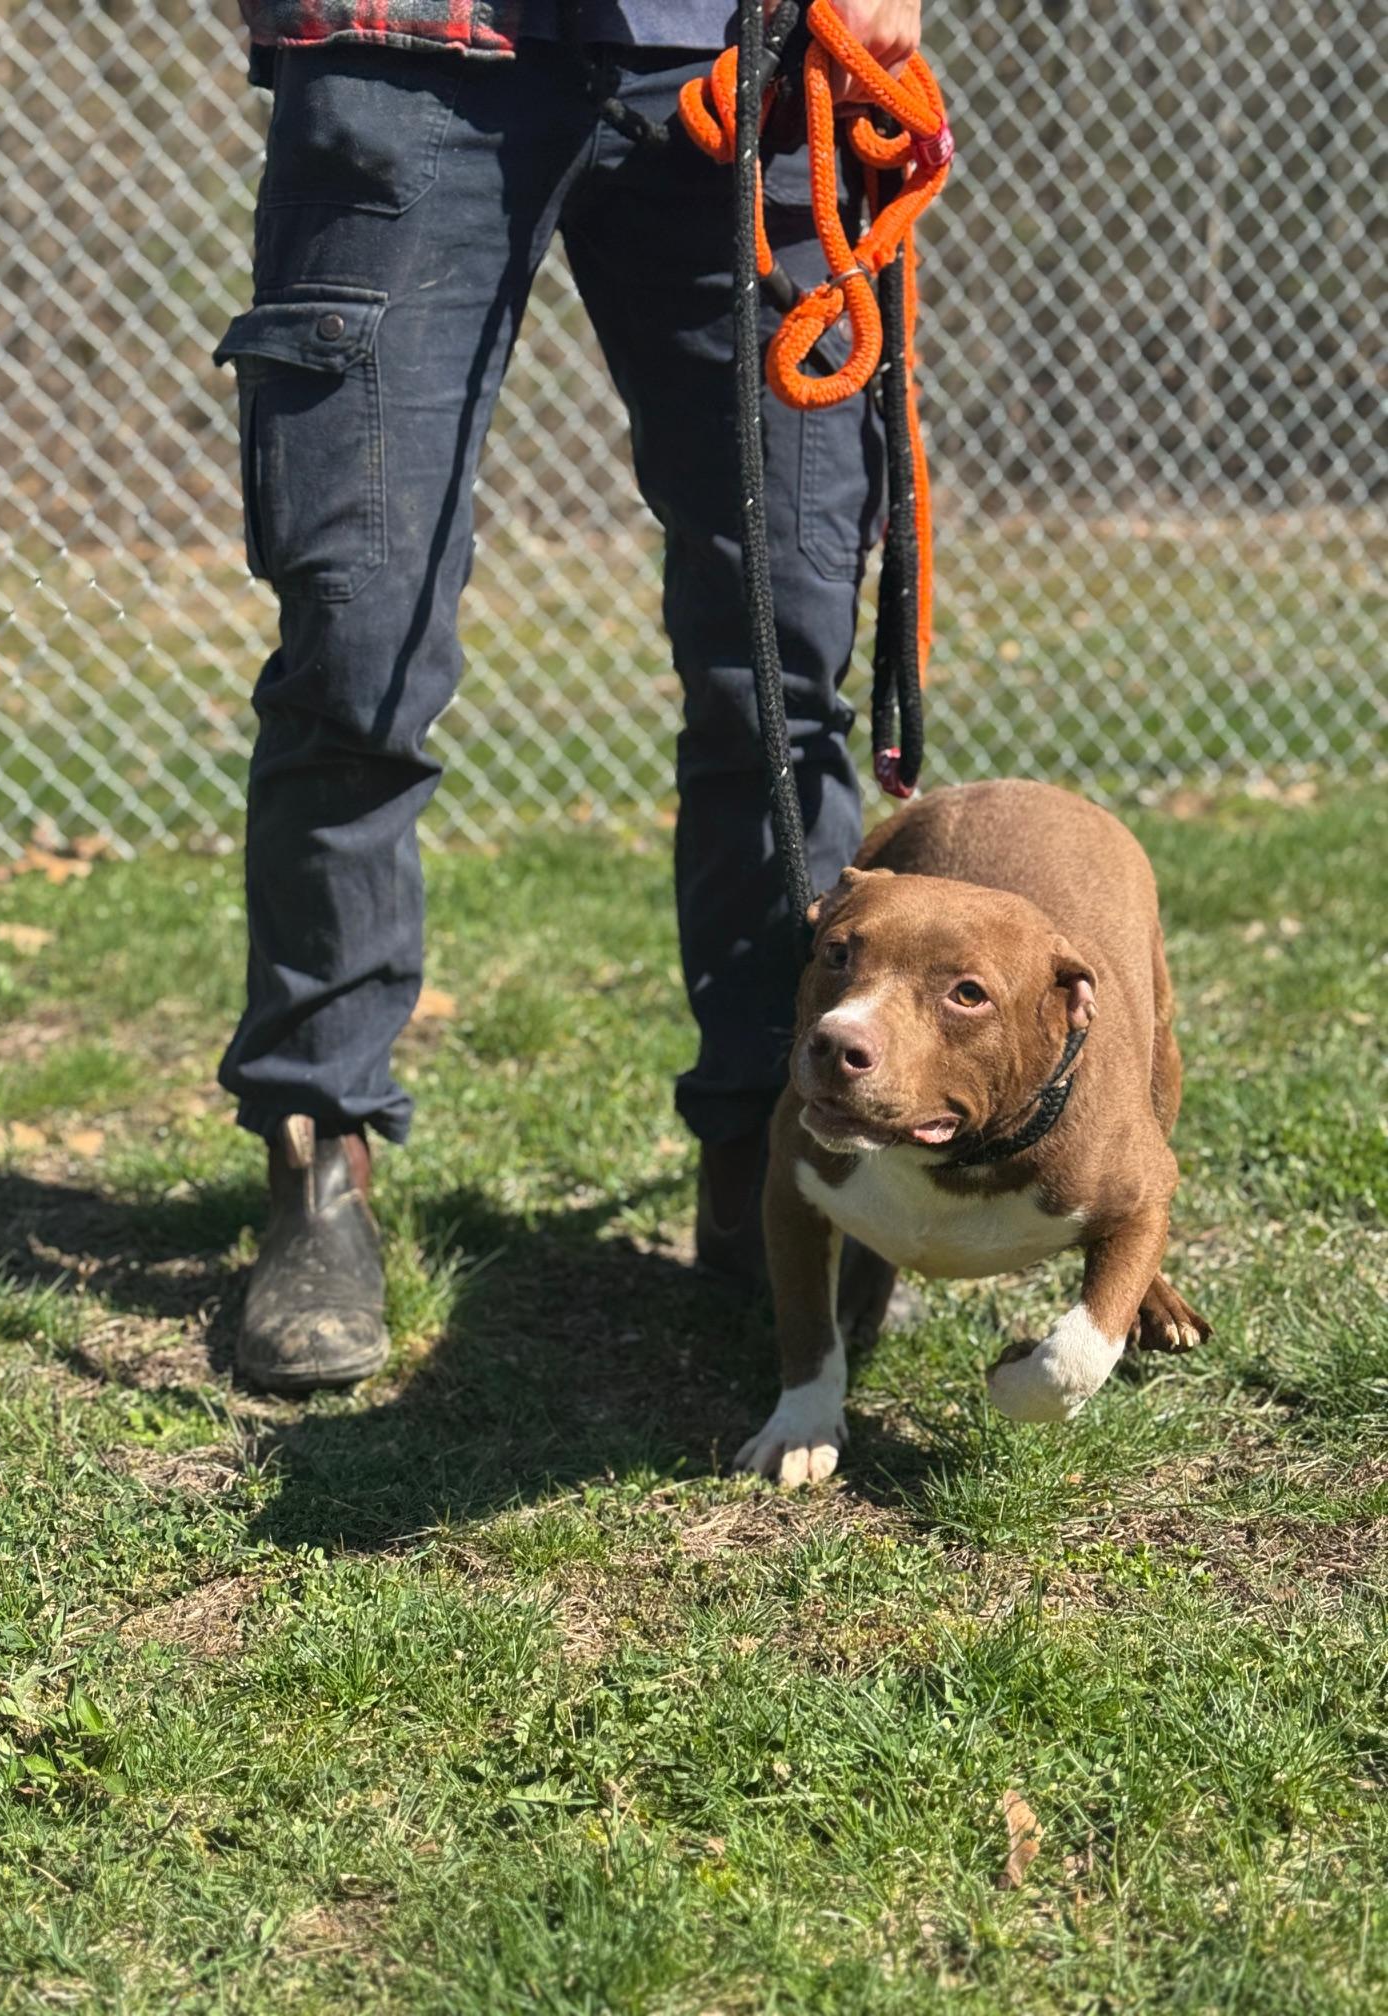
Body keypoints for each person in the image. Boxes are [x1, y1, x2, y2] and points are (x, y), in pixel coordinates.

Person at [217, 0, 923, 1392]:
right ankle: (318, 1162)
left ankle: (771, 1156)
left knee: (783, 656)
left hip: (744, 54)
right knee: (359, 649)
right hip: (415, 41)